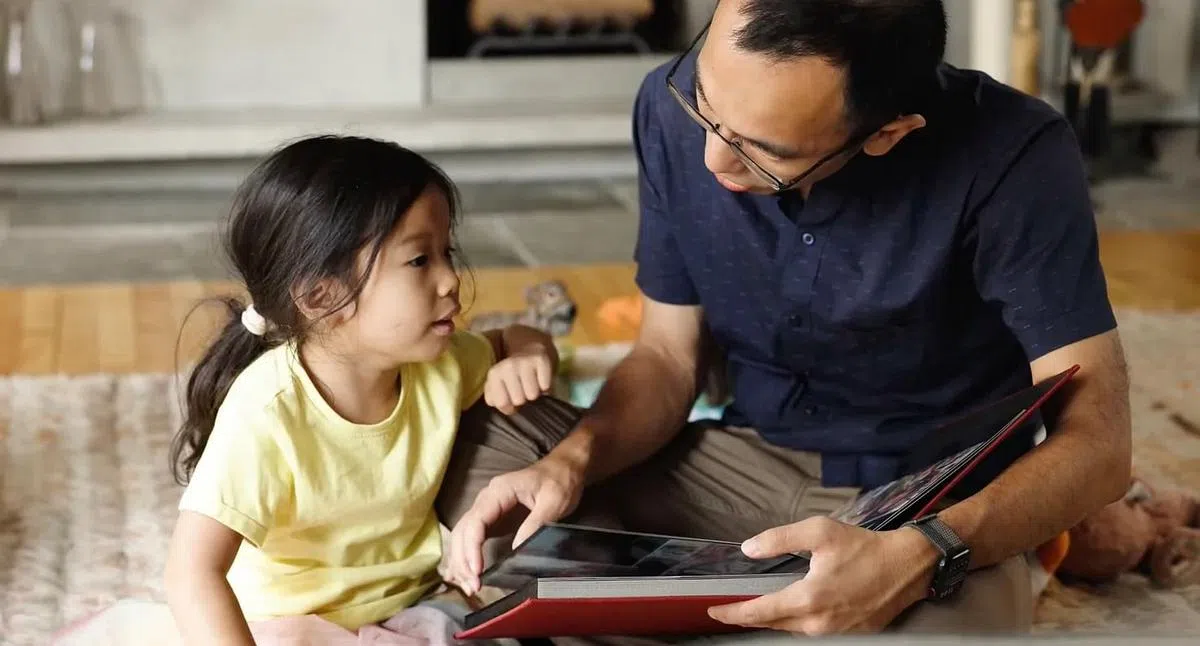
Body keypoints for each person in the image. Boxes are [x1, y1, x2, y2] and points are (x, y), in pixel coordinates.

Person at [435, 0, 1132, 639]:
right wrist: (570, 464)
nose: (711, 158)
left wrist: (928, 552)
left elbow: (1098, 445)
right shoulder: (668, 107)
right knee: (487, 447)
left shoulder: (1015, 156)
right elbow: (669, 360)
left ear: (886, 133)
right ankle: (684, 602)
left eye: (762, 153)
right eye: (704, 109)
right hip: (735, 465)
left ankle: (647, 611)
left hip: (919, 504)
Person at [162, 135, 559, 645]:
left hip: (416, 607)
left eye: (448, 253)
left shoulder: (441, 364)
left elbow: (513, 338)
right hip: (297, 627)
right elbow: (190, 575)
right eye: (420, 261)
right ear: (321, 296)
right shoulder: (267, 412)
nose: (450, 281)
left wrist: (530, 355)